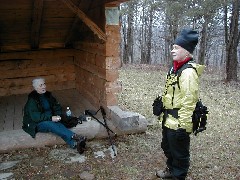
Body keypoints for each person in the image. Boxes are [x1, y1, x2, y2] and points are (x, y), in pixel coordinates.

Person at [156, 28, 205, 179]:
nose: (173, 50)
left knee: (180, 154)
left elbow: (189, 102)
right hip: (168, 120)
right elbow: (172, 94)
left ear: (187, 51)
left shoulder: (188, 73)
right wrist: (161, 106)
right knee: (168, 147)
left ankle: (178, 176)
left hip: (179, 123)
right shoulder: (174, 68)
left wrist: (183, 127)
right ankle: (171, 171)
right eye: (173, 47)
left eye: (177, 48)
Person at [22, 77, 87, 154]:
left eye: (44, 84)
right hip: (37, 123)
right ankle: (74, 136)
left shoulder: (48, 95)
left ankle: (75, 144)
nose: (44, 86)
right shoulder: (32, 100)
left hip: (50, 118)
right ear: (35, 88)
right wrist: (51, 118)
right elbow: (36, 117)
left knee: (59, 123)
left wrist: (57, 115)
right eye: (41, 85)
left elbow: (57, 106)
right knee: (50, 124)